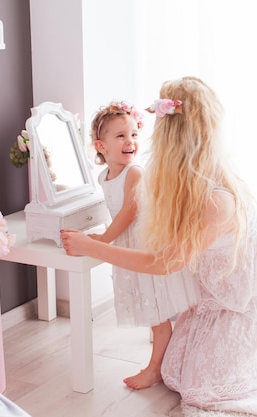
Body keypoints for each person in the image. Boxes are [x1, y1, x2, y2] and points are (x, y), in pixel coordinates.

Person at [61, 77, 257, 416]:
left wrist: (93, 246)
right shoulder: (178, 176)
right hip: (215, 296)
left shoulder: (217, 198)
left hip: (248, 301)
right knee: (174, 373)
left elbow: (165, 262)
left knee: (202, 389)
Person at [88, 101, 201, 390]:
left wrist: (104, 240)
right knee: (153, 313)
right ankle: (167, 359)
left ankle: (155, 369)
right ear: (101, 146)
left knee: (158, 316)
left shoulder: (134, 172)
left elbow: (128, 211)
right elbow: (115, 211)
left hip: (144, 247)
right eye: (121, 136)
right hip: (131, 247)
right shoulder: (104, 176)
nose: (130, 141)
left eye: (134, 135)